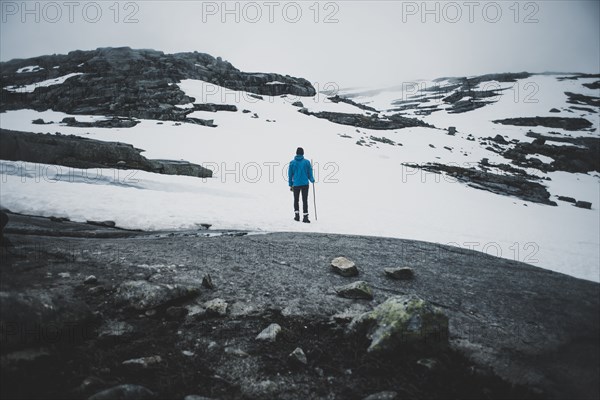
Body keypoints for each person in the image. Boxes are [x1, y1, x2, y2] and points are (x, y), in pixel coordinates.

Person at [288, 147, 315, 223]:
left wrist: (290, 184)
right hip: (305, 184)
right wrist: (312, 179)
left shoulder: (292, 163)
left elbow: (290, 175)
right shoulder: (307, 162)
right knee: (304, 200)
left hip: (296, 184)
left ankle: (297, 216)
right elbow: (310, 173)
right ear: (303, 153)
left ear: (296, 153)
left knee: (296, 200)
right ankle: (305, 217)